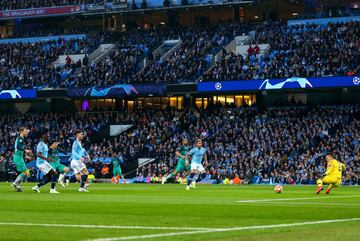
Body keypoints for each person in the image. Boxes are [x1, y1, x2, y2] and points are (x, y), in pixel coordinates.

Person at [12, 127, 32, 192]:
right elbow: (18, 147)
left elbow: (20, 150)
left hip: (19, 157)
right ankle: (15, 183)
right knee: (26, 172)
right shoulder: (19, 138)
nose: (26, 133)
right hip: (17, 157)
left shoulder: (22, 139)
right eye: (25, 131)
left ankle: (17, 186)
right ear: (22, 132)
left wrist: (26, 156)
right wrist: (26, 150)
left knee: (25, 172)